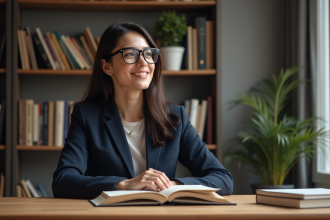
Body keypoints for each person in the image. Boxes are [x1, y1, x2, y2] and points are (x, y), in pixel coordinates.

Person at [52, 22, 233, 199]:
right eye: (130, 54)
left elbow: (223, 179)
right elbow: (63, 181)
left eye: (148, 54)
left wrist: (171, 185)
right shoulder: (86, 116)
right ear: (107, 67)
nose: (143, 62)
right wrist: (122, 184)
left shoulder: (175, 118)